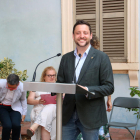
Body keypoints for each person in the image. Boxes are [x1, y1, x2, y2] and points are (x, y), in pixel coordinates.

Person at [57, 20, 114, 140]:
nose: (81, 36)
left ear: (90, 35)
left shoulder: (102, 57)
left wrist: (87, 90)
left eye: (85, 33)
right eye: (78, 33)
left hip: (91, 115)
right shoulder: (65, 58)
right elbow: (60, 83)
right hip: (68, 115)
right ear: (73, 36)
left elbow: (109, 87)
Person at [27, 66, 57, 140]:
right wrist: (38, 101)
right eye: (49, 75)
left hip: (53, 112)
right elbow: (29, 100)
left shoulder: (59, 87)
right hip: (39, 109)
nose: (52, 77)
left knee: (51, 106)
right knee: (47, 116)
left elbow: (64, 99)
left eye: (53, 75)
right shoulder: (36, 86)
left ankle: (35, 125)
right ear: (44, 76)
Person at [0, 74, 27, 140]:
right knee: (7, 126)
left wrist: (24, 113)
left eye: (13, 88)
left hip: (15, 108)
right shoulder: (1, 83)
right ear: (6, 81)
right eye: (9, 87)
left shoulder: (22, 87)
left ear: (18, 84)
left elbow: (23, 99)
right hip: (2, 107)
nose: (11, 89)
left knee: (16, 125)